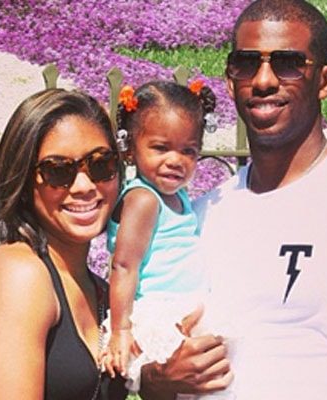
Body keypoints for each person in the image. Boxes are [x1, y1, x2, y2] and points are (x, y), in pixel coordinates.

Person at [139, 0, 327, 399]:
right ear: (230, 80)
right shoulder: (202, 214)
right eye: (247, 63)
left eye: (287, 63)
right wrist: (158, 380)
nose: (264, 79)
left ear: (325, 79)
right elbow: (159, 365)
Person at [0, 88, 127, 400]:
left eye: (100, 164)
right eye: (58, 171)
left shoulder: (98, 289)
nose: (84, 186)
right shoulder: (21, 274)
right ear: (24, 179)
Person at [103, 80, 227, 396]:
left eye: (189, 151)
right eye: (161, 148)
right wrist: (121, 330)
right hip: (160, 311)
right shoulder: (144, 199)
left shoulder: (178, 197)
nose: (176, 160)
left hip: (185, 307)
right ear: (130, 148)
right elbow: (124, 267)